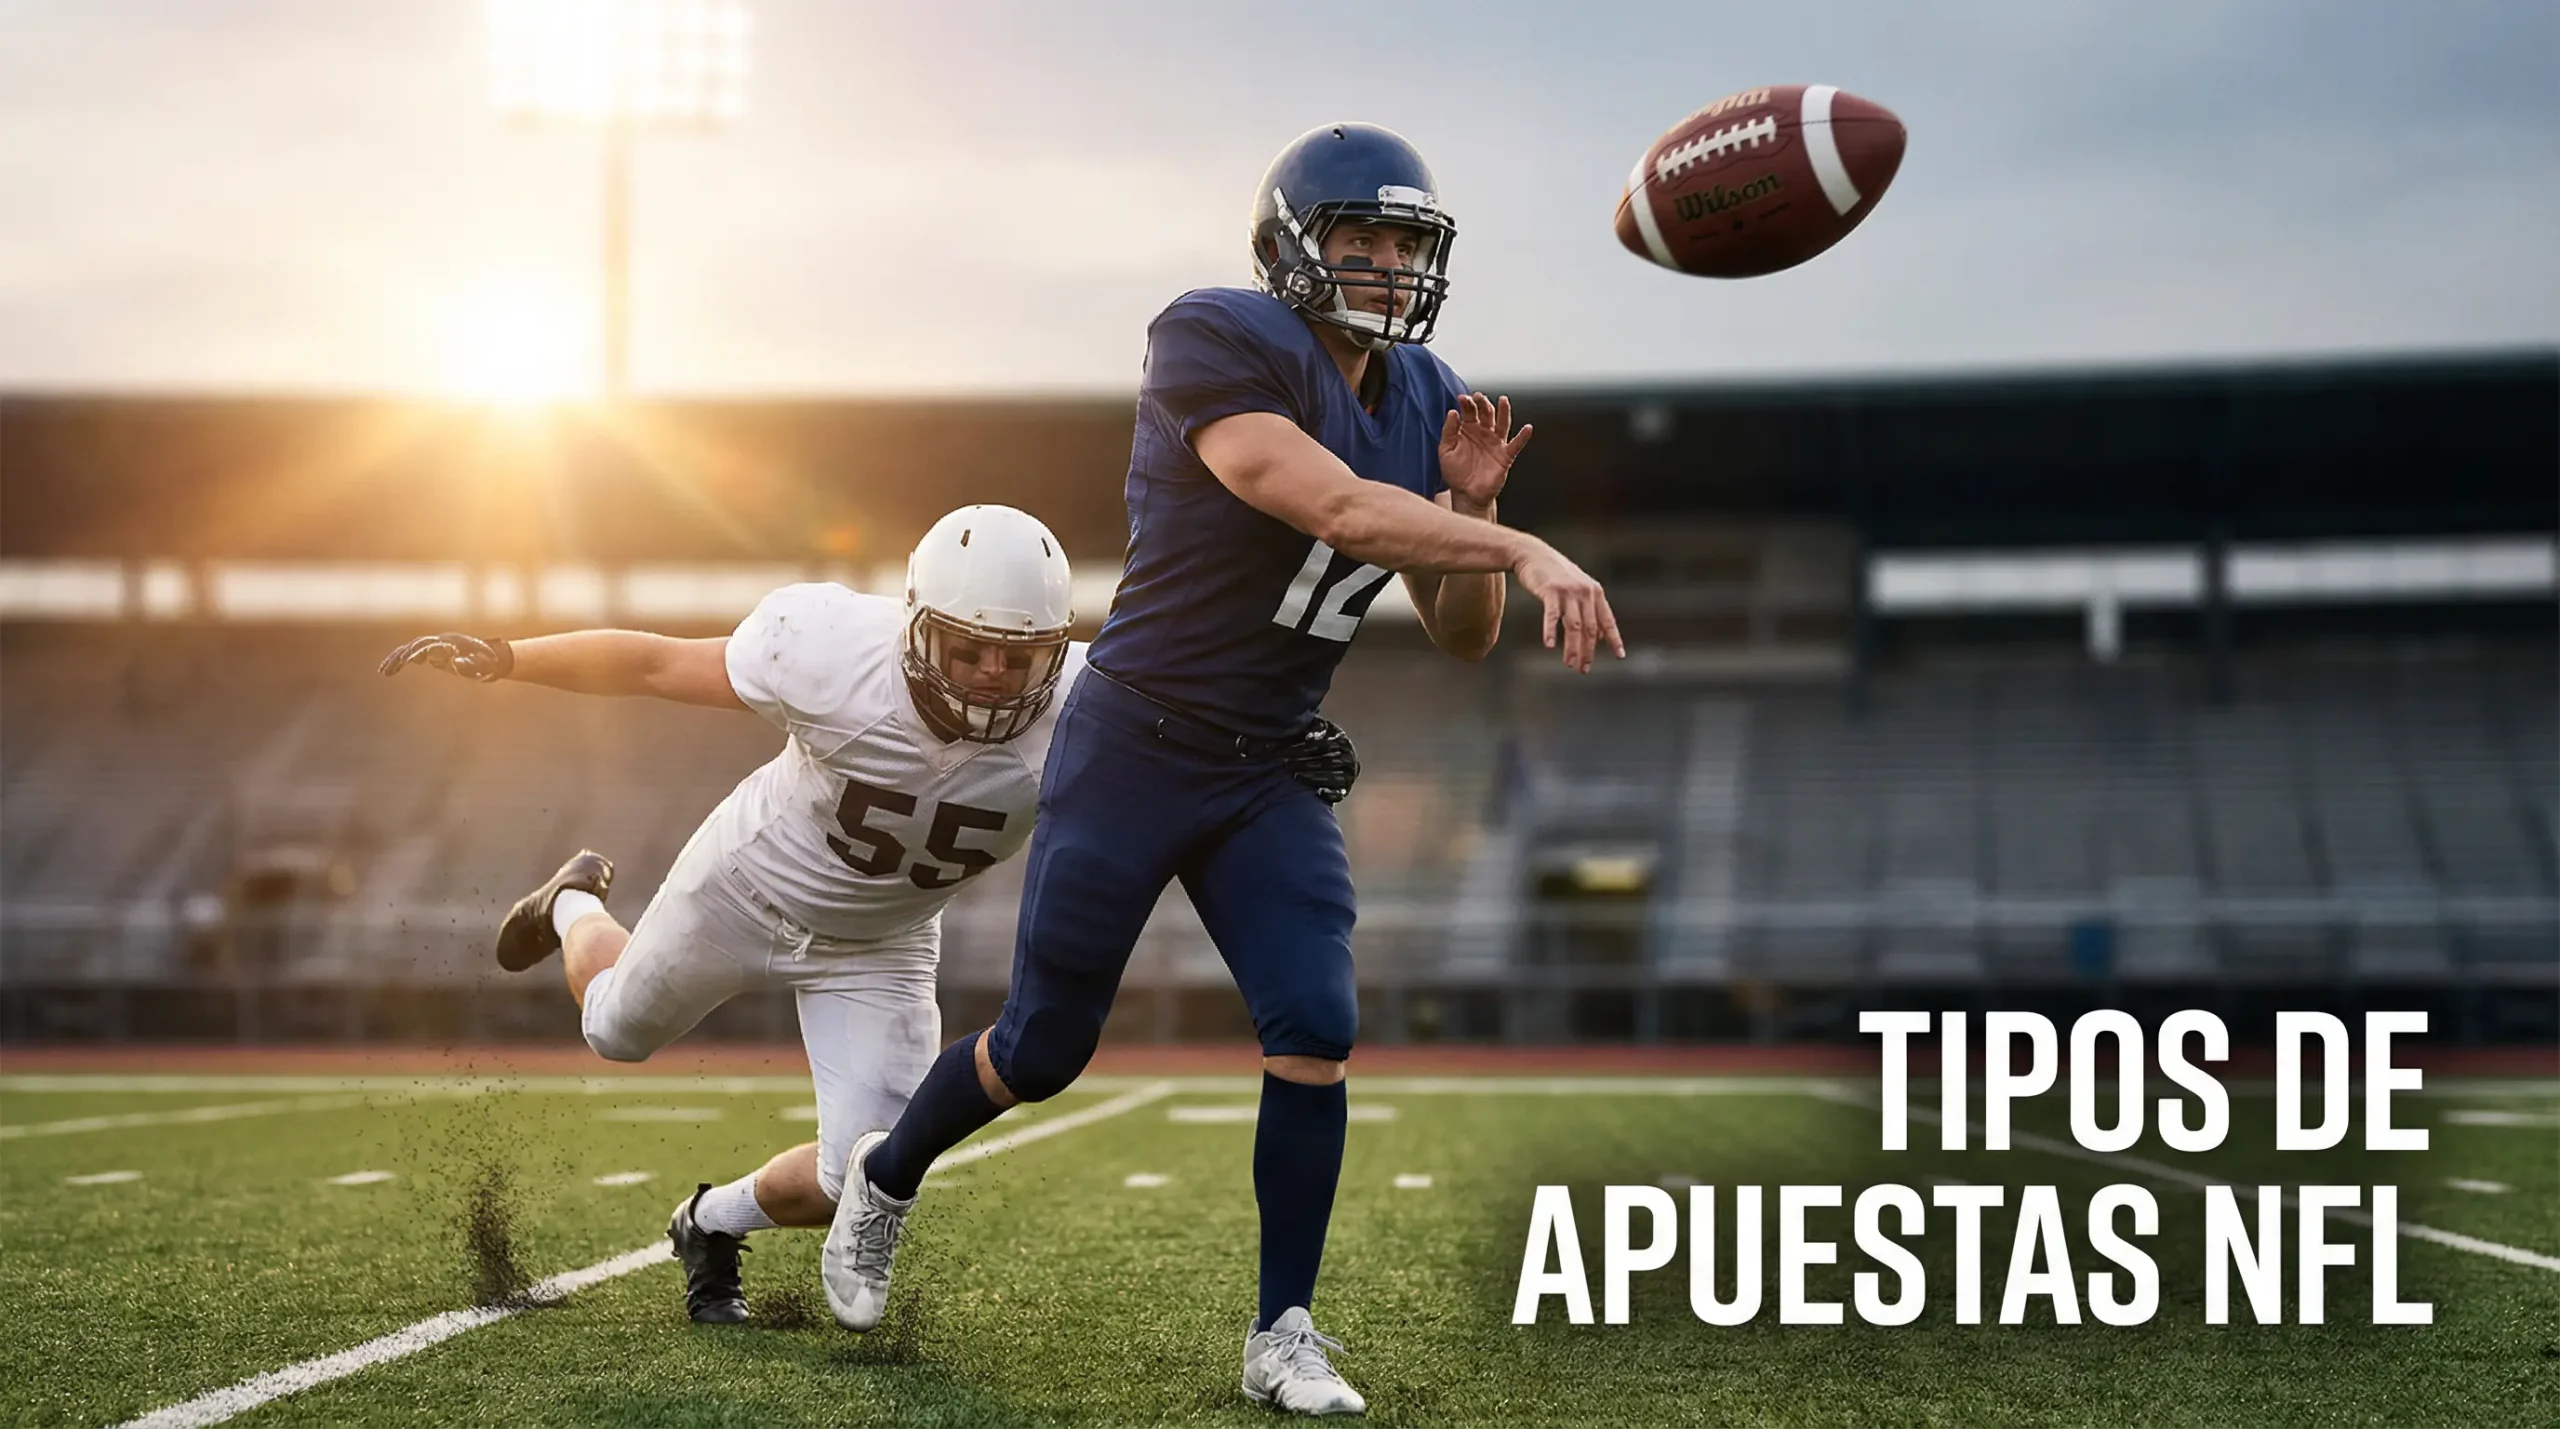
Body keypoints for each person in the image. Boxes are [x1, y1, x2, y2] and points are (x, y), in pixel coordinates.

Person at [827, 123, 1621, 1415]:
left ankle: (1282, 1332)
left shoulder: (1424, 395)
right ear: (1287, 248)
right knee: (1044, 1043)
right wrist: (1530, 549)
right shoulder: (1213, 337)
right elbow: (1330, 505)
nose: (1383, 263)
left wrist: (1476, 520)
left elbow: (1460, 636)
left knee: (1317, 1021)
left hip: (1268, 768)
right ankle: (887, 1176)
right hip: (1135, 739)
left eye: (1403, 241)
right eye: (1357, 238)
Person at [378, 505, 1090, 1326]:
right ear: (914, 624)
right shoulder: (829, 650)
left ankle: (707, 1221)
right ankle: (573, 898)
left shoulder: (1090, 710)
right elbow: (655, 665)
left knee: (856, 1180)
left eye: (1019, 655)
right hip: (745, 885)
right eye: (967, 648)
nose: (990, 675)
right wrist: (509, 656)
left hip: (879, 943)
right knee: (613, 1030)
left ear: (1058, 648)